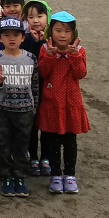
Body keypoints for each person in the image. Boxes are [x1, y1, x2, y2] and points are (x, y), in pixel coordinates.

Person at [0, 17, 40, 199]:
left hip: (25, 111)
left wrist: (33, 107)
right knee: (2, 144)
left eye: (16, 34)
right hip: (1, 110)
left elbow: (35, 85)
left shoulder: (30, 59)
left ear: (23, 38)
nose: (12, 38)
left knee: (22, 145)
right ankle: (6, 176)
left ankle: (20, 177)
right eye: (6, 35)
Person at [37, 11, 89, 195]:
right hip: (51, 103)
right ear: (50, 32)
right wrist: (49, 56)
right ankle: (55, 175)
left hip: (70, 103)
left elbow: (80, 74)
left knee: (70, 142)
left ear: (73, 34)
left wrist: (74, 56)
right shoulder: (45, 49)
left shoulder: (79, 51)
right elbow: (43, 72)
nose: (62, 35)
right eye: (58, 30)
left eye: (67, 31)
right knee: (51, 141)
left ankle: (70, 174)